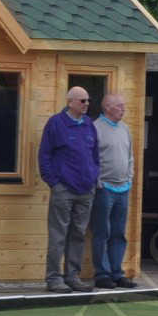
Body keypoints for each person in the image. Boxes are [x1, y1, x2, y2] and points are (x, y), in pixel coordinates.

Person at [39, 86, 99, 292]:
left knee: (78, 234)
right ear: (70, 102)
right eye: (82, 101)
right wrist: (54, 182)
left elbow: (95, 155)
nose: (87, 104)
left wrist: (93, 176)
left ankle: (72, 276)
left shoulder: (89, 124)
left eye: (88, 101)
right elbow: (44, 155)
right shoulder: (56, 123)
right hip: (63, 188)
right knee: (58, 234)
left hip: (86, 189)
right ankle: (54, 278)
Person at [90, 92, 137, 288]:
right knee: (102, 232)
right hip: (104, 188)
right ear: (107, 107)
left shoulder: (125, 128)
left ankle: (117, 273)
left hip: (123, 188)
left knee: (119, 232)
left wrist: (130, 177)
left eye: (123, 106)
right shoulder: (95, 128)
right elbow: (91, 158)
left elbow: (130, 156)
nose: (123, 109)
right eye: (119, 106)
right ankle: (102, 274)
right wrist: (98, 181)